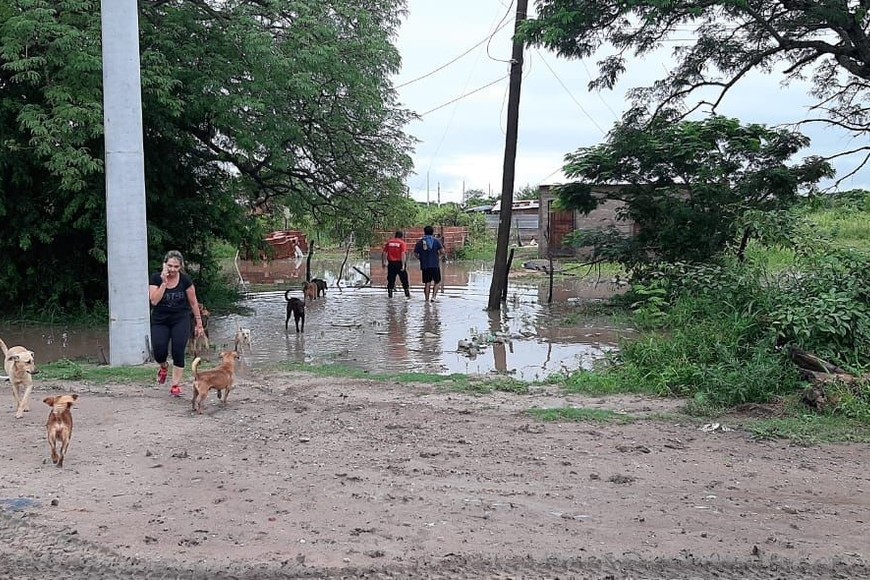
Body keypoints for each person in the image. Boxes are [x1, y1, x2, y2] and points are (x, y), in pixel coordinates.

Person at [149, 250, 204, 397]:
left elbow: (193, 302)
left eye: (176, 267)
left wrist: (199, 324)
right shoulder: (155, 278)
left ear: (181, 267)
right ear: (165, 265)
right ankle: (164, 367)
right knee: (159, 351)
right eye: (170, 266)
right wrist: (164, 284)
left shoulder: (185, 280)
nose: (172, 270)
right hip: (160, 320)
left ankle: (175, 385)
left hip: (180, 319)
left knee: (178, 350)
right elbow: (154, 301)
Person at [414, 225, 445, 302]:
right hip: (435, 265)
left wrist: (421, 259)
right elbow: (442, 252)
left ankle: (426, 299)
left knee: (427, 283)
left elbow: (415, 254)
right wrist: (439, 258)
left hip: (425, 266)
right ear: (432, 232)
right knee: (437, 281)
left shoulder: (420, 242)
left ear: (424, 232)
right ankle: (433, 297)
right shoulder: (436, 241)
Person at [381, 231, 411, 298]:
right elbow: (403, 254)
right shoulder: (402, 243)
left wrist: (384, 262)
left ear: (395, 235)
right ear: (401, 236)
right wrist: (403, 265)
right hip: (400, 263)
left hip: (391, 263)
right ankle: (407, 295)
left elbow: (384, 252)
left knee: (391, 279)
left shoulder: (389, 242)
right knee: (404, 279)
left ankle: (390, 295)